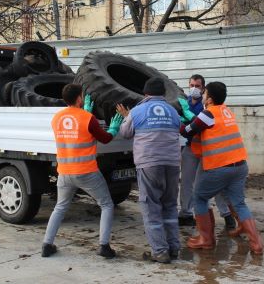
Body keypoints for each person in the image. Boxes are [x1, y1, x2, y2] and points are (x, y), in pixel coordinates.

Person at [180, 81, 263, 254]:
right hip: (240, 165)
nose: (202, 96)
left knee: (199, 198)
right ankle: (256, 244)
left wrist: (177, 120)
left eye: (204, 93)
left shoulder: (207, 114)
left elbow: (187, 132)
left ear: (209, 99)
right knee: (239, 203)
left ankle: (206, 239)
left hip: (219, 167)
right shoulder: (226, 111)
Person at [42, 84, 124, 259]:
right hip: (87, 172)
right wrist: (114, 128)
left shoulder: (56, 118)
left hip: (64, 172)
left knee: (60, 207)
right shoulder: (88, 118)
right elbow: (105, 138)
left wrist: (84, 112)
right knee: (107, 204)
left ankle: (47, 245)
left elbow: (73, 130)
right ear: (79, 98)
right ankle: (104, 246)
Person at [118, 77, 181, 264]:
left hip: (149, 163)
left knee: (151, 207)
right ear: (163, 93)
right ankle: (174, 248)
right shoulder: (173, 111)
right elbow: (177, 130)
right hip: (172, 163)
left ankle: (160, 252)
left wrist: (125, 117)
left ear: (145, 93)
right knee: (169, 206)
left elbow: (125, 133)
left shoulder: (137, 111)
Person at [178, 74, 236, 231]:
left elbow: (198, 122)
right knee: (187, 182)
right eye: (191, 85)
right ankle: (185, 214)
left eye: (197, 86)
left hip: (207, 150)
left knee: (215, 185)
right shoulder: (185, 102)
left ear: (203, 89)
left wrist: (184, 119)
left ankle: (227, 215)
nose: (194, 89)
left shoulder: (207, 105)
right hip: (190, 148)